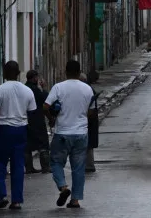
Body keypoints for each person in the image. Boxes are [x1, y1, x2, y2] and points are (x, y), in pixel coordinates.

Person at [44, 60, 95, 209]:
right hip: (81, 133)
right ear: (79, 72)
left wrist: (52, 119)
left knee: (56, 162)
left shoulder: (58, 87)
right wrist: (82, 118)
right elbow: (91, 111)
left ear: (65, 72)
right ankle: (75, 200)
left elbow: (45, 106)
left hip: (62, 133)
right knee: (78, 168)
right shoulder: (87, 89)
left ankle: (63, 187)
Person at [0, 60, 37, 210]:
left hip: (2, 130)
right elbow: (32, 114)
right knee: (18, 166)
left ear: (4, 73)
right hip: (20, 130)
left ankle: (2, 195)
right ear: (18, 73)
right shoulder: (27, 91)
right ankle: (16, 201)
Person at [24, 70, 51, 174]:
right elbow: (46, 101)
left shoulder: (24, 89)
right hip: (38, 120)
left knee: (27, 145)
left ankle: (29, 168)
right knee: (43, 144)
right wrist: (43, 88)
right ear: (34, 78)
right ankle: (45, 167)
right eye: (37, 77)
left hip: (26, 120)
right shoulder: (36, 90)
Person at [79, 73, 99, 173]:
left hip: (89, 121)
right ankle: (88, 164)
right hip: (89, 120)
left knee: (88, 143)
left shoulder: (87, 90)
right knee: (87, 143)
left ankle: (89, 165)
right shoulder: (88, 89)